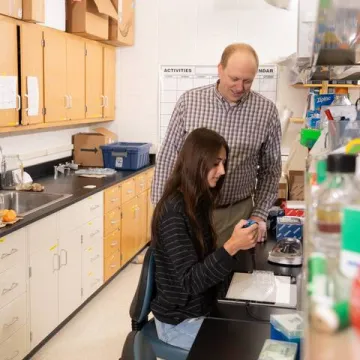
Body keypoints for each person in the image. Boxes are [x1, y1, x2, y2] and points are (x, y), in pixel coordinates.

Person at [151, 43, 281, 246]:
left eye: (248, 81)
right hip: (190, 212)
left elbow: (270, 170)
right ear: (220, 69)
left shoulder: (266, 111)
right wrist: (160, 212)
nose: (240, 88)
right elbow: (168, 158)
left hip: (237, 215)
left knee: (236, 275)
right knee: (191, 274)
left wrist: (259, 215)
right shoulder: (189, 102)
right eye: (234, 79)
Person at [150, 128, 259, 351]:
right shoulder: (173, 211)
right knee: (244, 350)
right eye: (216, 163)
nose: (222, 171)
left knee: (252, 333)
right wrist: (232, 245)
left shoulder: (196, 202)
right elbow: (190, 282)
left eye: (224, 163)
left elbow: (204, 263)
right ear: (196, 162)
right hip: (178, 321)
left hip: (200, 309)